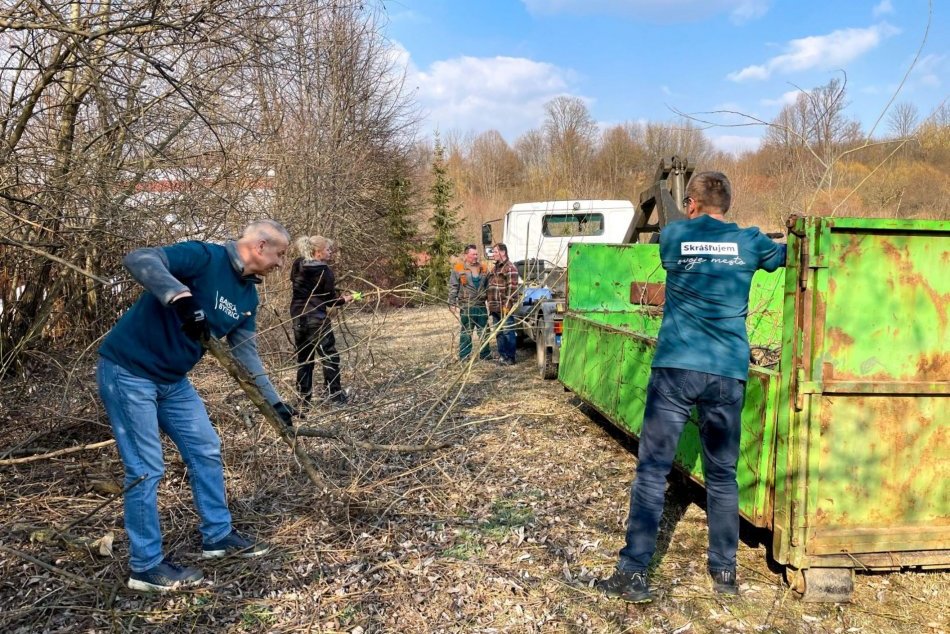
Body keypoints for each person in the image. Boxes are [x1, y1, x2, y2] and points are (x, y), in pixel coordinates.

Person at [597, 172, 787, 603]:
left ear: (692, 203)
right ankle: (724, 574)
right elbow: (785, 257)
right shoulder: (750, 241)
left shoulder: (676, 235)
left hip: (676, 369)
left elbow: (675, 254)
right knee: (722, 476)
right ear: (728, 204)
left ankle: (633, 572)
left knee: (652, 471)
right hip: (726, 373)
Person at [97, 219, 296, 592]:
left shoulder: (248, 298)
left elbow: (247, 358)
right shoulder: (203, 257)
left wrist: (276, 404)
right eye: (280, 255)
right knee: (145, 468)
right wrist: (180, 297)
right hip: (128, 371)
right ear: (260, 246)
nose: (281, 264)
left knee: (206, 448)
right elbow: (139, 258)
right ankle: (145, 566)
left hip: (172, 381)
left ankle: (217, 538)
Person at [290, 235, 355, 406]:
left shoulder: (297, 264)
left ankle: (304, 400)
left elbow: (296, 283)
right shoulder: (325, 271)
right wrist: (346, 299)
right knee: (330, 357)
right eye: (328, 249)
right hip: (317, 319)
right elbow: (331, 301)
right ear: (318, 253)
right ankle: (335, 396)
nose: (330, 252)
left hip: (298, 317)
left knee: (304, 360)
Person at [448, 244, 491, 361]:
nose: (476, 256)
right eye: (473, 254)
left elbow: (489, 286)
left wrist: (491, 302)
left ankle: (485, 354)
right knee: (466, 332)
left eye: (476, 254)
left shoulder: (484, 268)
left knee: (485, 331)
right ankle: (465, 355)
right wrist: (451, 303)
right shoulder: (458, 268)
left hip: (481, 305)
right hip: (467, 306)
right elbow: (453, 287)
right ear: (466, 255)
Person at [487, 242, 520, 365]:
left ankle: (510, 357)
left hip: (504, 307)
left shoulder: (510, 268)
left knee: (507, 331)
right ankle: (502, 355)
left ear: (503, 252)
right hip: (494, 307)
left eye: (495, 252)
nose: (493, 254)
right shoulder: (495, 268)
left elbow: (512, 289)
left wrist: (507, 305)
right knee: (499, 332)